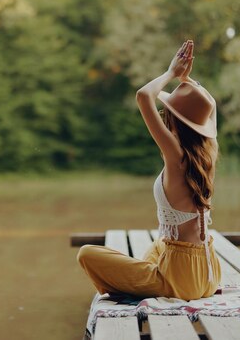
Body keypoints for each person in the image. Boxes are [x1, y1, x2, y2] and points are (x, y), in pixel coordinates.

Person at [77, 40, 222, 300]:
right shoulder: (208, 153)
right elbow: (211, 106)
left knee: (86, 254)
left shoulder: (176, 155)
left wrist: (172, 74)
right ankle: (151, 276)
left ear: (172, 118)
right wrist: (188, 82)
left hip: (180, 280)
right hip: (208, 272)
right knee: (159, 244)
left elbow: (144, 96)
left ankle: (151, 282)